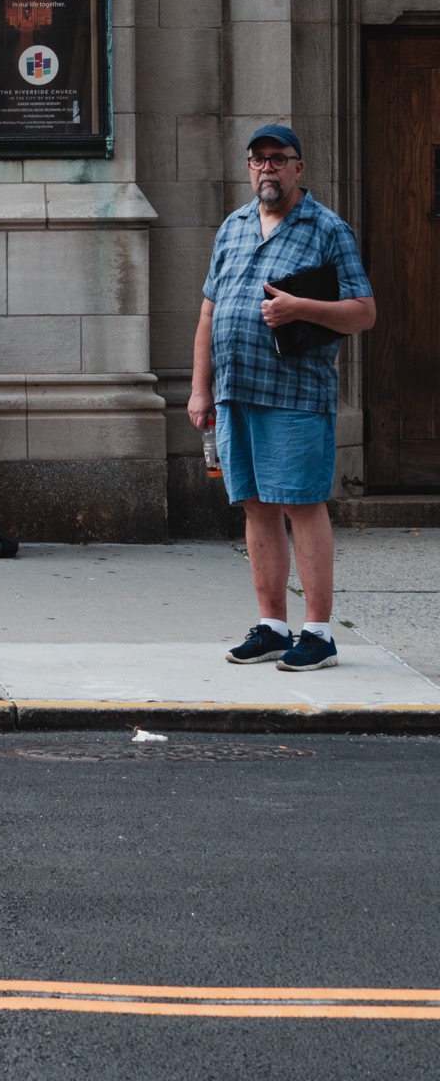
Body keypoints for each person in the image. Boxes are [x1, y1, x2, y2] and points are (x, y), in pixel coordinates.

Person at [188, 125, 376, 672]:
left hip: (295, 393)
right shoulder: (234, 226)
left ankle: (318, 633)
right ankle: (273, 625)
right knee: (255, 504)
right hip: (235, 392)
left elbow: (363, 312)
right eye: (258, 159)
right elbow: (208, 312)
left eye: (278, 158)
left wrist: (299, 308)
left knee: (301, 504)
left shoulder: (328, 228)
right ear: (249, 168)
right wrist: (201, 388)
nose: (266, 167)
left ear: (299, 167)